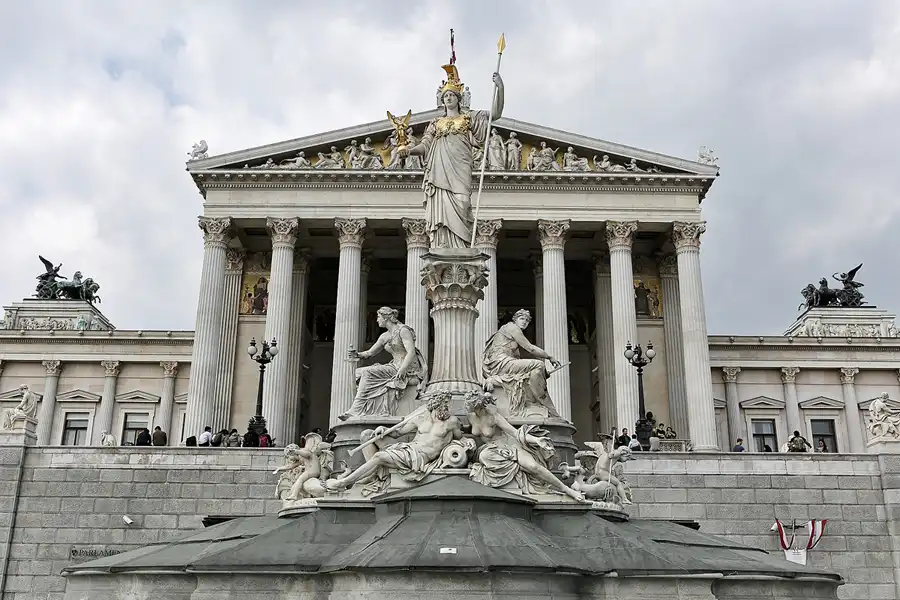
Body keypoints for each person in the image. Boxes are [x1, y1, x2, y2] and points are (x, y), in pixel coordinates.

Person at [399, 63, 504, 248]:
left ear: (458, 99)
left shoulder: (469, 118)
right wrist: (409, 150)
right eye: (445, 96)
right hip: (439, 170)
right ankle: (443, 247)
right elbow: (425, 145)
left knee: (463, 203)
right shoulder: (435, 123)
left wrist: (500, 87)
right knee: (441, 209)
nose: (448, 98)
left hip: (460, 167)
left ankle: (461, 247)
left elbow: (495, 114)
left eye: (451, 95)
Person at [327, 393, 463, 491]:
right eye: (445, 405)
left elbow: (460, 438)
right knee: (367, 435)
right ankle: (373, 475)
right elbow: (398, 433)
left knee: (379, 457)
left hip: (418, 458)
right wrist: (384, 429)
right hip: (407, 448)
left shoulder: (452, 422)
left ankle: (344, 482)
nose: (447, 409)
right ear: (436, 405)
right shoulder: (420, 419)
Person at [340, 306, 428, 420]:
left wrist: (402, 369)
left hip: (407, 369)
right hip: (394, 366)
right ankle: (365, 410)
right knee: (358, 373)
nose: (377, 320)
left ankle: (355, 410)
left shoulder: (403, 330)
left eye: (378, 317)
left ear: (386, 317)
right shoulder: (384, 336)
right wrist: (357, 354)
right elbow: (370, 353)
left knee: (367, 373)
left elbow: (411, 352)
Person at [482, 309, 562, 418]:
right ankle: (541, 402)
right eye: (522, 319)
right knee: (539, 365)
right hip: (501, 363)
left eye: (527, 320)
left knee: (535, 371)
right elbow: (530, 348)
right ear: (515, 319)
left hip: (503, 363)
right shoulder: (512, 328)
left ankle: (536, 403)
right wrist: (549, 357)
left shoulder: (508, 330)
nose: (524, 322)